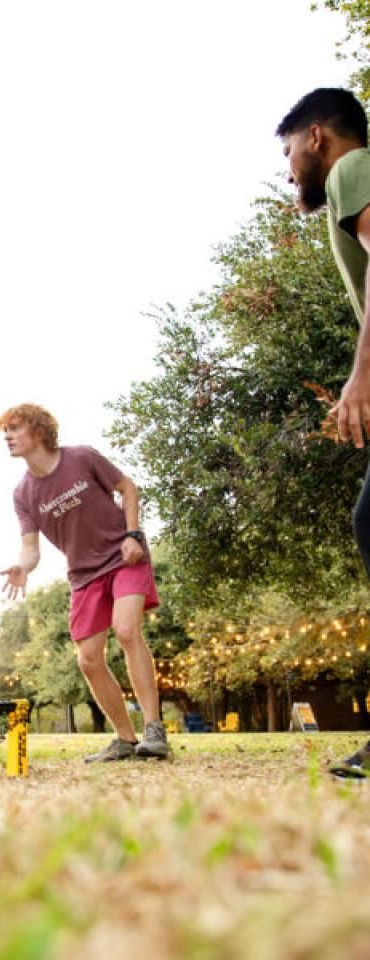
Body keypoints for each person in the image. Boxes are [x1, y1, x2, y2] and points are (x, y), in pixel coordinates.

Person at [277, 88, 370, 777]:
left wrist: (361, 378)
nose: (288, 173)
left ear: (316, 137)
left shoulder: (350, 169)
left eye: (287, 154)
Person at [0, 403, 168, 762]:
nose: (7, 436)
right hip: (84, 574)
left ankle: (154, 729)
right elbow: (31, 547)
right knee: (88, 659)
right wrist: (23, 567)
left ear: (39, 432)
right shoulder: (23, 493)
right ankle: (124, 739)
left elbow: (128, 488)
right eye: (5, 431)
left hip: (124, 556)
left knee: (126, 631)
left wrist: (133, 534)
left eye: (15, 428)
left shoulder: (82, 458)